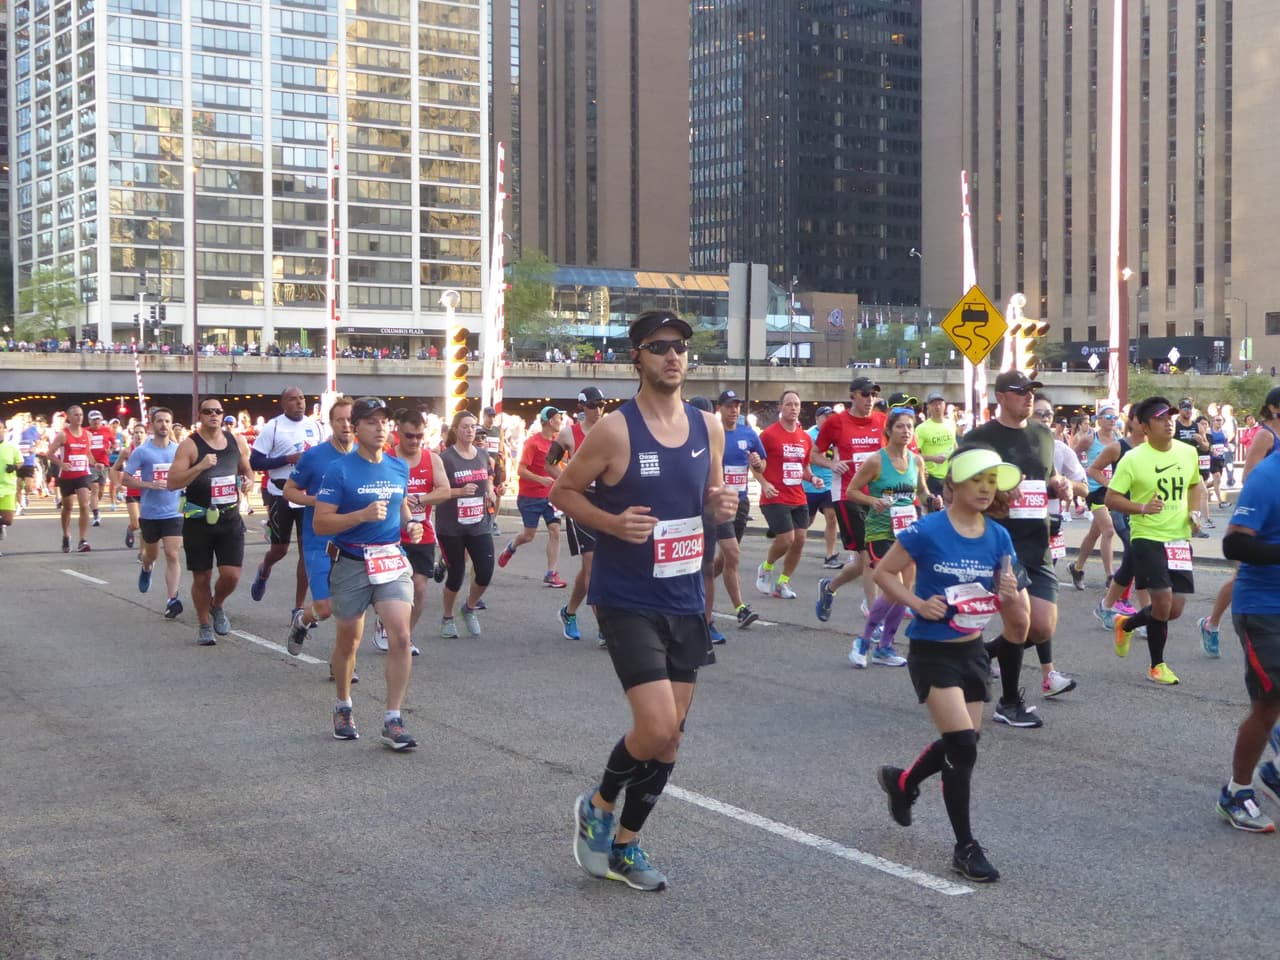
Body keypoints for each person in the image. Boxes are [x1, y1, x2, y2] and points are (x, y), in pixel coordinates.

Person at [554, 309, 736, 892]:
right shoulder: (614, 430)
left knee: (672, 735)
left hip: (685, 595)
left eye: (681, 345)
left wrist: (721, 514)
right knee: (655, 726)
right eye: (659, 346)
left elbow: (707, 499)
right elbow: (564, 491)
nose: (673, 356)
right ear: (637, 356)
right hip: (627, 596)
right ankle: (599, 804)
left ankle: (626, 846)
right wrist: (611, 523)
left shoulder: (709, 425)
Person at [873, 444, 1028, 882]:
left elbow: (1003, 596)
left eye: (991, 481)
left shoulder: (999, 536)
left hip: (973, 651)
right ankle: (965, 847)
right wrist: (918, 605)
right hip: (932, 650)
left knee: (966, 746)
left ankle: (903, 783)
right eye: (977, 480)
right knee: (961, 744)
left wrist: (1009, 594)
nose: (985, 489)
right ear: (954, 484)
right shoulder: (927, 530)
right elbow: (884, 574)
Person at [313, 396, 426, 750]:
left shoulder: (397, 467)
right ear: (355, 428)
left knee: (401, 637)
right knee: (350, 640)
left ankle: (393, 718)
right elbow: (320, 523)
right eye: (372, 422)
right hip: (351, 561)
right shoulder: (340, 470)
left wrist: (412, 525)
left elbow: (400, 502)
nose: (381, 428)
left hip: (390, 559)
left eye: (384, 422)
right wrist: (359, 516)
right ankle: (343, 705)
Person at [966, 370, 1076, 726]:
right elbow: (957, 490)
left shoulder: (1044, 435)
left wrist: (1059, 484)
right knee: (1018, 621)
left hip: (1037, 540)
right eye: (1020, 391)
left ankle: (979, 655)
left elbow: (1044, 478)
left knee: (1042, 628)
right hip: (999, 543)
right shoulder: (980, 438)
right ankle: (1008, 703)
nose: (1029, 397)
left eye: (1032, 391)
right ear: (1000, 396)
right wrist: (996, 491)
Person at [1106, 396, 1207, 685]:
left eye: (1171, 417)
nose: (1168, 423)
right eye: (1161, 418)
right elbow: (1112, 498)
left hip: (1178, 538)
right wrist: (1141, 508)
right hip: (1147, 536)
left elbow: (1193, 485)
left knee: (1174, 610)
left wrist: (1195, 513)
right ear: (1145, 427)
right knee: (1161, 604)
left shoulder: (1187, 452)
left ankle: (1126, 624)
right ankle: (1156, 665)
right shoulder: (1133, 459)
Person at [1216, 442, 1280, 831]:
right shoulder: (1269, 477)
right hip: (1264, 608)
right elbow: (1233, 543)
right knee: (1269, 705)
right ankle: (1236, 792)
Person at [844, 408, 930, 667]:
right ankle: (863, 641)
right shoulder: (876, 461)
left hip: (908, 532)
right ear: (889, 430)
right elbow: (851, 491)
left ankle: (885, 647)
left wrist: (932, 500)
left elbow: (922, 493)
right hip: (880, 530)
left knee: (903, 592)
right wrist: (873, 500)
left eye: (909, 427)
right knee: (894, 590)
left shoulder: (916, 461)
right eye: (900, 427)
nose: (906, 432)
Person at [1197, 387, 1280, 656]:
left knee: (1240, 575)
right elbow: (1248, 476)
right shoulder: (1266, 435)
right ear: (1274, 407)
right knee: (1241, 576)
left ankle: (1213, 623)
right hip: (1258, 518)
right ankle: (1212, 623)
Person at [167, 397, 254, 646]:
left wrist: (248, 481)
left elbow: (247, 469)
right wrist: (200, 467)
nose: (213, 415)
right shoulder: (189, 445)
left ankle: (217, 604)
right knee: (201, 577)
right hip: (198, 519)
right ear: (200, 416)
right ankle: (205, 624)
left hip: (229, 517)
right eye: (208, 412)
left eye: (218, 411)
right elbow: (173, 481)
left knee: (232, 574)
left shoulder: (235, 441)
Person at [282, 396, 359, 673]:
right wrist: (317, 501)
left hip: (353, 545)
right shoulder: (315, 456)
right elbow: (288, 491)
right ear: (331, 423)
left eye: (351, 419)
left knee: (349, 611)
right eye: (340, 420)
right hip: (319, 543)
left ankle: (342, 663)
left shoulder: (366, 454)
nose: (346, 425)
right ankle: (302, 621)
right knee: (325, 608)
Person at [813, 376, 886, 623]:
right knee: (870, 557)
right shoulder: (836, 422)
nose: (870, 400)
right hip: (846, 496)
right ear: (852, 395)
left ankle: (829, 587)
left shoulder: (882, 421)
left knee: (862, 561)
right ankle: (874, 618)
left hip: (876, 498)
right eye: (865, 394)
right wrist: (832, 463)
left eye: (874, 395)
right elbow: (814, 455)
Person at [249, 386, 322, 613]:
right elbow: (256, 462)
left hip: (306, 495)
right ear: (283, 403)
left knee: (305, 551)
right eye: (293, 399)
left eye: (302, 398)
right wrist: (288, 459)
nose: (299, 403)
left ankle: (298, 607)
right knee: (279, 549)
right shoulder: (274, 426)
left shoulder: (316, 426)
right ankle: (265, 568)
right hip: (280, 494)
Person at [385, 408, 450, 645]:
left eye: (419, 436)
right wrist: (399, 499)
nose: (415, 441)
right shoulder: (386, 459)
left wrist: (421, 498)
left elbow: (444, 491)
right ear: (398, 433)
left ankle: (405, 638)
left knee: (420, 588)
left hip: (421, 532)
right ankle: (385, 624)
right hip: (390, 533)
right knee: (389, 590)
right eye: (409, 435)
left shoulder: (432, 459)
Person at [548, 386, 607, 641]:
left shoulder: (610, 431)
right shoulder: (568, 434)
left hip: (606, 501)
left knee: (590, 567)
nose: (598, 410)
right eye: (593, 405)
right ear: (582, 406)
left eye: (602, 404)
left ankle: (569, 611)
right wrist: (568, 482)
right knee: (592, 562)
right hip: (579, 501)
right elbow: (548, 464)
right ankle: (606, 628)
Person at [435, 409, 498, 638]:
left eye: (473, 427)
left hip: (478, 522)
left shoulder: (482, 454)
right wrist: (457, 491)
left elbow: (488, 477)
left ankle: (469, 608)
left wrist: (491, 490)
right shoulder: (445, 459)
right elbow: (437, 491)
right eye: (465, 427)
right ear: (455, 430)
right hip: (451, 526)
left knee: (485, 571)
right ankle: (448, 617)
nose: (470, 431)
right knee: (456, 573)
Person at [753, 390, 821, 599]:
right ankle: (766, 567)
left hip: (798, 496)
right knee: (786, 539)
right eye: (789, 404)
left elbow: (804, 469)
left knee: (800, 539)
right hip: (775, 496)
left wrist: (813, 479)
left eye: (797, 405)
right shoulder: (769, 435)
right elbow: (756, 465)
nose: (793, 408)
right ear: (780, 408)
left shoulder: (804, 438)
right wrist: (764, 484)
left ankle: (783, 583)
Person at [120, 409, 184, 618]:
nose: (164, 425)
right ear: (152, 426)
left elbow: (188, 475)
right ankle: (147, 568)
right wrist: (149, 484)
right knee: (152, 554)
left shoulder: (179, 450)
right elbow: (126, 479)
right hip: (150, 513)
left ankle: (172, 599)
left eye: (167, 421)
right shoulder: (142, 451)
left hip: (173, 512)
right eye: (159, 421)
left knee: (172, 553)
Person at [498, 406, 566, 587]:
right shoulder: (533, 443)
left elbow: (561, 464)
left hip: (551, 496)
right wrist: (540, 479)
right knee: (529, 535)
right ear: (550, 421)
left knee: (555, 530)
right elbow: (521, 470)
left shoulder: (558, 442)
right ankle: (511, 547)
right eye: (559, 418)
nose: (561, 421)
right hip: (530, 496)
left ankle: (551, 573)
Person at [713, 389, 764, 629]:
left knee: (725, 560)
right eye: (729, 406)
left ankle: (695, 583)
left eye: (737, 406)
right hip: (719, 503)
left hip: (741, 502)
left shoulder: (748, 434)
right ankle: (741, 609)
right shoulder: (714, 433)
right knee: (733, 553)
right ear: (720, 409)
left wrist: (757, 463)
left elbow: (761, 464)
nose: (734, 410)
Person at [1065, 405, 1118, 588]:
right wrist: (1080, 475)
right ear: (1099, 420)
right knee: (1109, 530)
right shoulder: (1090, 440)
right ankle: (1110, 576)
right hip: (1094, 491)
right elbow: (1071, 456)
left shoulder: (1119, 440)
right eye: (1108, 417)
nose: (1112, 420)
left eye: (1115, 417)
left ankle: (1077, 568)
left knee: (1095, 533)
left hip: (1113, 491)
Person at [46, 405, 94, 553]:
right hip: (66, 475)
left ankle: (82, 540)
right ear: (69, 417)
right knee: (68, 507)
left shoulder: (87, 435)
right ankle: (66, 535)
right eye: (75, 415)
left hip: (83, 474)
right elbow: (50, 454)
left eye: (81, 415)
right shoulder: (63, 435)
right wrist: (61, 464)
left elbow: (88, 453)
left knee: (84, 504)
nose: (79, 417)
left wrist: (96, 463)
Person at [805, 406, 840, 567]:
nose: (828, 420)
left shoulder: (836, 434)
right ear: (817, 419)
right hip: (810, 485)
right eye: (825, 417)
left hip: (829, 485)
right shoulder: (809, 435)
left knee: (832, 518)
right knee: (807, 522)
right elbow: (808, 458)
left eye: (830, 417)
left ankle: (830, 555)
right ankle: (791, 544)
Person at [915, 392, 956, 509]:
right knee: (934, 511)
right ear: (928, 407)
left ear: (944, 405)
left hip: (949, 476)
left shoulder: (951, 424)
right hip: (932, 477)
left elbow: (954, 445)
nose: (937, 407)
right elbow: (913, 454)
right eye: (934, 404)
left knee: (951, 512)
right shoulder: (922, 429)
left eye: (940, 404)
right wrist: (933, 458)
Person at [112, 422, 148, 552]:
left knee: (145, 524)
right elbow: (114, 469)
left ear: (146, 435)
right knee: (136, 523)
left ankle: (142, 552)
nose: (138, 435)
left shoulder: (151, 449)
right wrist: (117, 484)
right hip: (132, 491)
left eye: (141, 433)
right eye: (136, 433)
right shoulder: (127, 451)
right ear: (132, 436)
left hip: (147, 491)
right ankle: (130, 529)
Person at [85, 409, 117, 526]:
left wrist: (111, 450)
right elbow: (84, 449)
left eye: (98, 419)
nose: (96, 422)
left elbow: (114, 443)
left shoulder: (106, 430)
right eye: (94, 420)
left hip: (104, 463)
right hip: (90, 464)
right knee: (95, 489)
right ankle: (96, 514)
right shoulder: (85, 431)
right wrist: (93, 462)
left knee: (101, 490)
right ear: (89, 420)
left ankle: (94, 505)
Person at [0, 432, 21, 554]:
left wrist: (14, 467)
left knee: (8, 520)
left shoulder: (11, 447)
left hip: (8, 487)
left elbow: (20, 461)